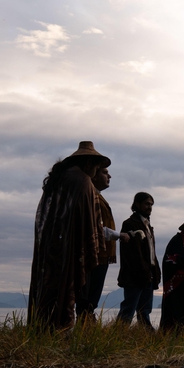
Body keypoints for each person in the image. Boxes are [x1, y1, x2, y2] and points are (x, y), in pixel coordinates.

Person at [28, 141, 110, 330]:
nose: (97, 170)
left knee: (47, 286)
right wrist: (92, 248)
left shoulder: (59, 179)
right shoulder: (82, 181)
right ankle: (61, 329)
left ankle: (42, 329)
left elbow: (45, 215)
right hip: (69, 245)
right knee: (67, 288)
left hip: (50, 243)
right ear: (89, 164)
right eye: (97, 166)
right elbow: (88, 220)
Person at [77, 166, 127, 323]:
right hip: (94, 252)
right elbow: (95, 227)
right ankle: (85, 322)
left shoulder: (96, 197)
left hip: (101, 253)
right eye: (105, 173)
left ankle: (86, 321)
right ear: (94, 176)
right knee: (88, 294)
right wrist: (119, 235)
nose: (109, 176)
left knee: (91, 294)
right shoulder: (92, 197)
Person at [117, 192, 160, 329]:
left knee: (145, 310)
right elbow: (130, 254)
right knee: (128, 309)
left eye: (151, 204)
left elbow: (152, 253)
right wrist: (143, 270)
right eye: (147, 204)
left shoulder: (148, 226)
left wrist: (155, 272)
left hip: (148, 275)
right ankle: (117, 335)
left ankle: (146, 335)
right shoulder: (129, 224)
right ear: (137, 204)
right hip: (134, 276)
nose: (150, 207)